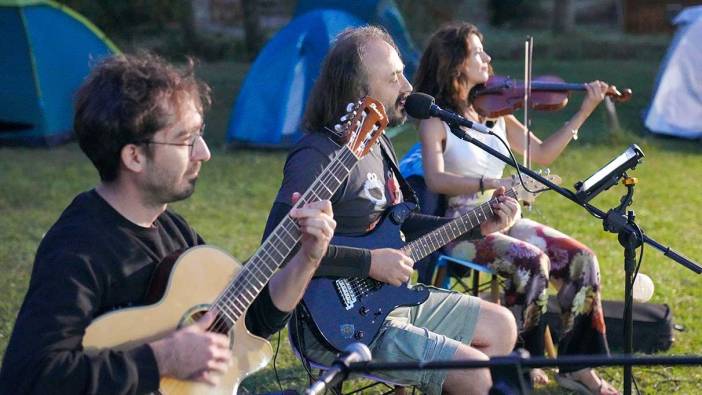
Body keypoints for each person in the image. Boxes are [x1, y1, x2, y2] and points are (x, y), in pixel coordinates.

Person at [0, 53, 336, 394]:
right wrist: (163, 358)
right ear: (134, 156)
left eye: (199, 136)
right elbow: (28, 377)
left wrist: (306, 259)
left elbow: (253, 322)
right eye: (185, 140)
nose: (203, 152)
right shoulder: (77, 249)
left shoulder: (175, 233)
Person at [262, 26, 522, 395]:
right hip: (334, 324)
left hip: (387, 298)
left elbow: (401, 220)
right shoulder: (317, 156)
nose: (407, 88)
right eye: (393, 78)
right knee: (476, 374)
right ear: (360, 92)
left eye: (403, 73)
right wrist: (367, 264)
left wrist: (478, 224)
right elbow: (276, 250)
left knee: (501, 326)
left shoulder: (377, 142)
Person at [413, 22, 619, 395]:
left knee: (582, 259)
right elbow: (436, 179)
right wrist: (491, 184)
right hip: (461, 229)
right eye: (478, 53)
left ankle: (578, 367)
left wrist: (584, 111)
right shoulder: (435, 119)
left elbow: (540, 154)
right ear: (455, 63)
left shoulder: (497, 113)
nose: (488, 58)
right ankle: (522, 359)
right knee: (531, 262)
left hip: (506, 218)